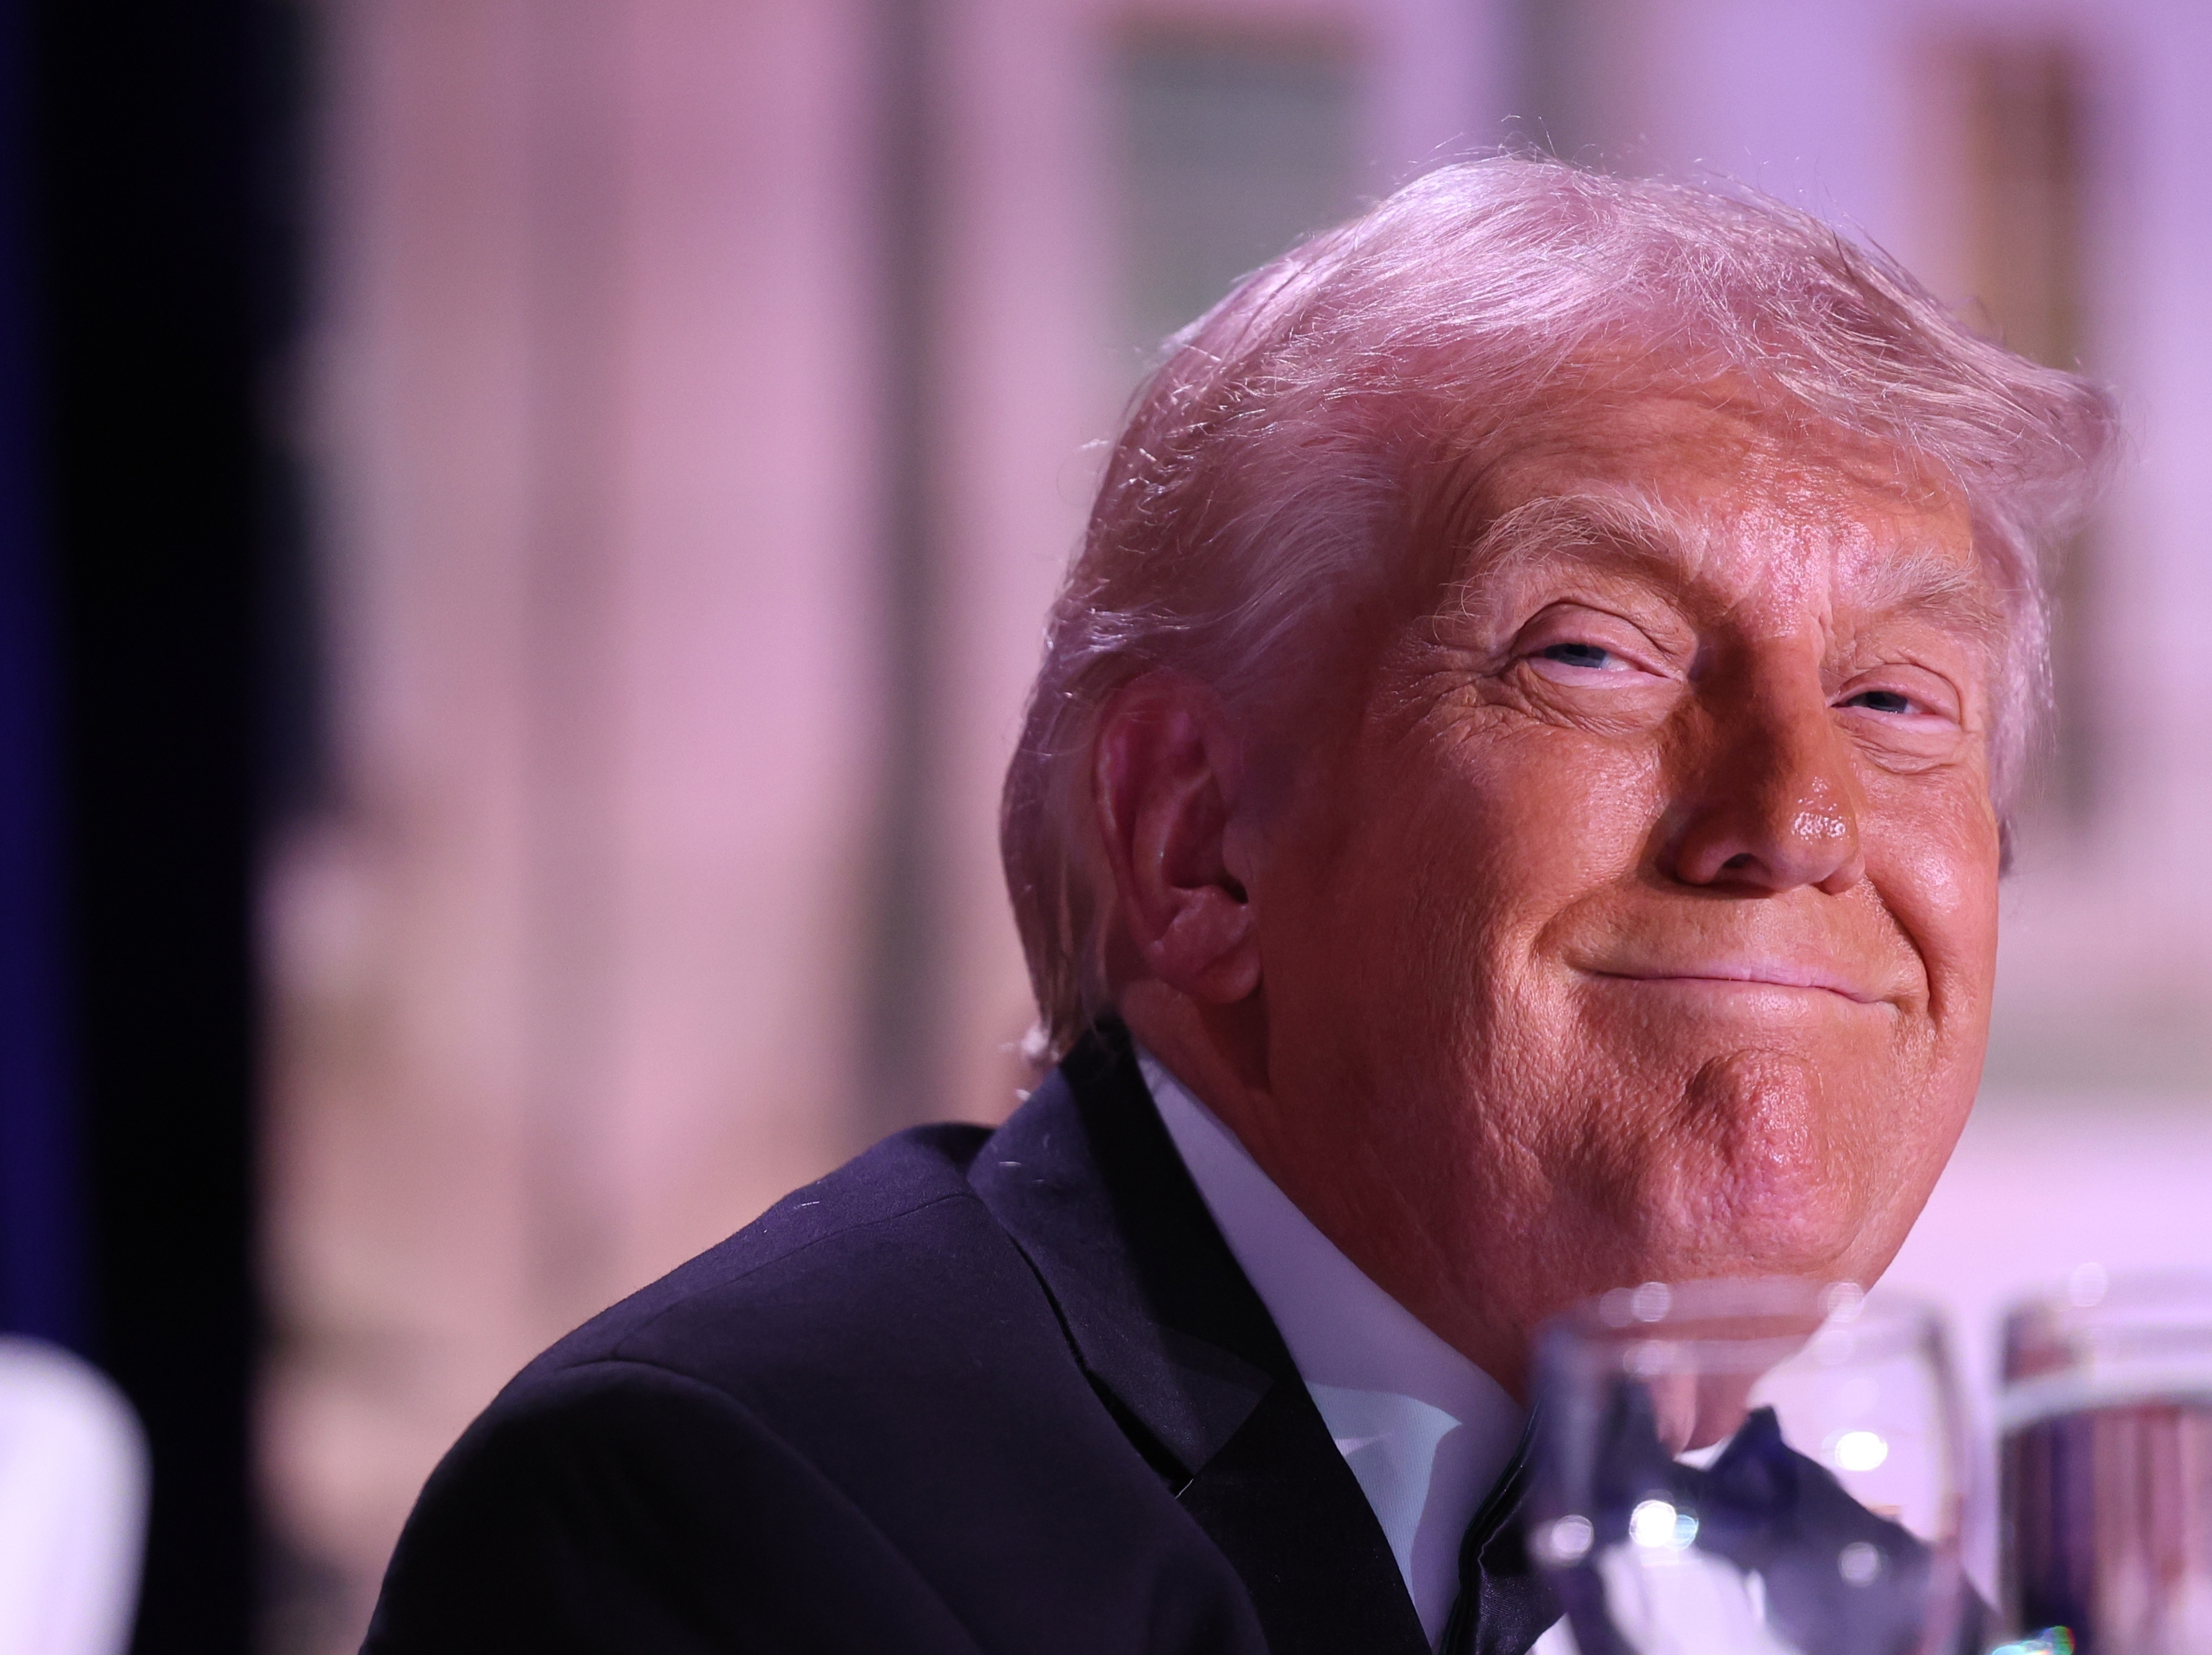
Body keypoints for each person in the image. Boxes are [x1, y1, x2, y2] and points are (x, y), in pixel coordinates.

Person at [362, 157, 2113, 1655]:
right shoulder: (732, 1517)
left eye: (1897, 698)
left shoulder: (1850, 1601)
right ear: (1196, 841)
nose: (1797, 817)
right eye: (1593, 653)